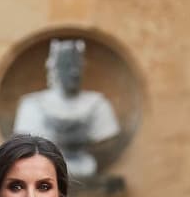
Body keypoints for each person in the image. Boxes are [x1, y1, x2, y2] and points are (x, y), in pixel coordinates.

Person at [12, 39, 119, 179]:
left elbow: (107, 139)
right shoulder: (33, 105)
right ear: (55, 68)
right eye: (67, 66)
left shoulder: (98, 105)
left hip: (85, 166)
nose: (74, 72)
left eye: (78, 65)